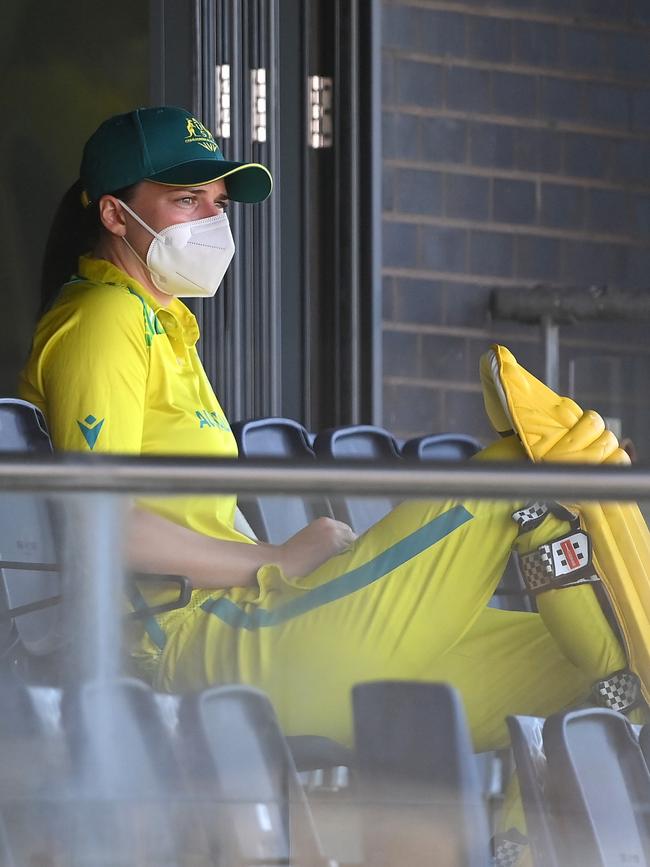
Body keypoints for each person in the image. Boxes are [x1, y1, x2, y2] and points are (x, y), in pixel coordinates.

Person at [19, 106, 645, 762]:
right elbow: (104, 524)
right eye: (185, 199)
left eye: (218, 200)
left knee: (597, 669)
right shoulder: (102, 319)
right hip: (193, 649)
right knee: (521, 472)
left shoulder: (161, 322)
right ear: (115, 215)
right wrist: (276, 558)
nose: (211, 219)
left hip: (256, 623)